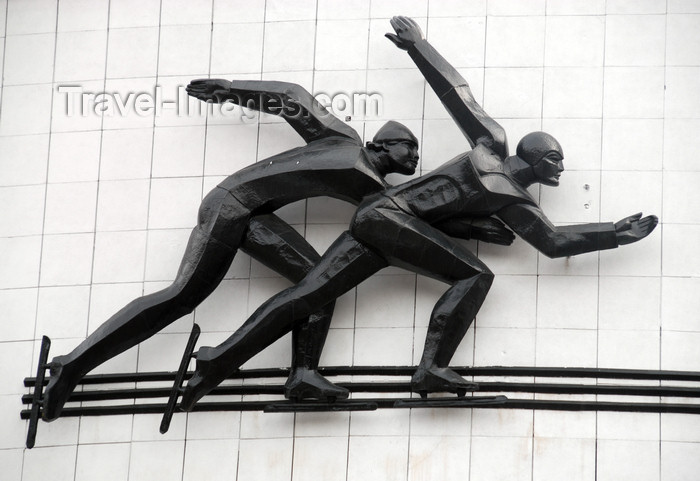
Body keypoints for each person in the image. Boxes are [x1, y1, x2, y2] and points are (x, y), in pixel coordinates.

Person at [176, 17, 658, 410]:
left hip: (378, 221)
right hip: (388, 218)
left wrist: (612, 234)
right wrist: (418, 47)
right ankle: (430, 367)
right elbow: (456, 92)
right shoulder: (490, 146)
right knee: (474, 275)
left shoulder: (517, 204)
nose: (559, 169)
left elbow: (555, 244)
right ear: (532, 155)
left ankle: (219, 360)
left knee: (307, 295)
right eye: (555, 159)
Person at [40, 79, 427, 421]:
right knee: (181, 296)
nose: (415, 158)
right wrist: (230, 89)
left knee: (317, 288)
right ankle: (72, 365)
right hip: (231, 204)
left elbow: (417, 214)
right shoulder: (343, 140)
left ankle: (302, 376)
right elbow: (292, 98)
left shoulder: (377, 191)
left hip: (255, 217)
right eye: (410, 147)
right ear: (383, 142)